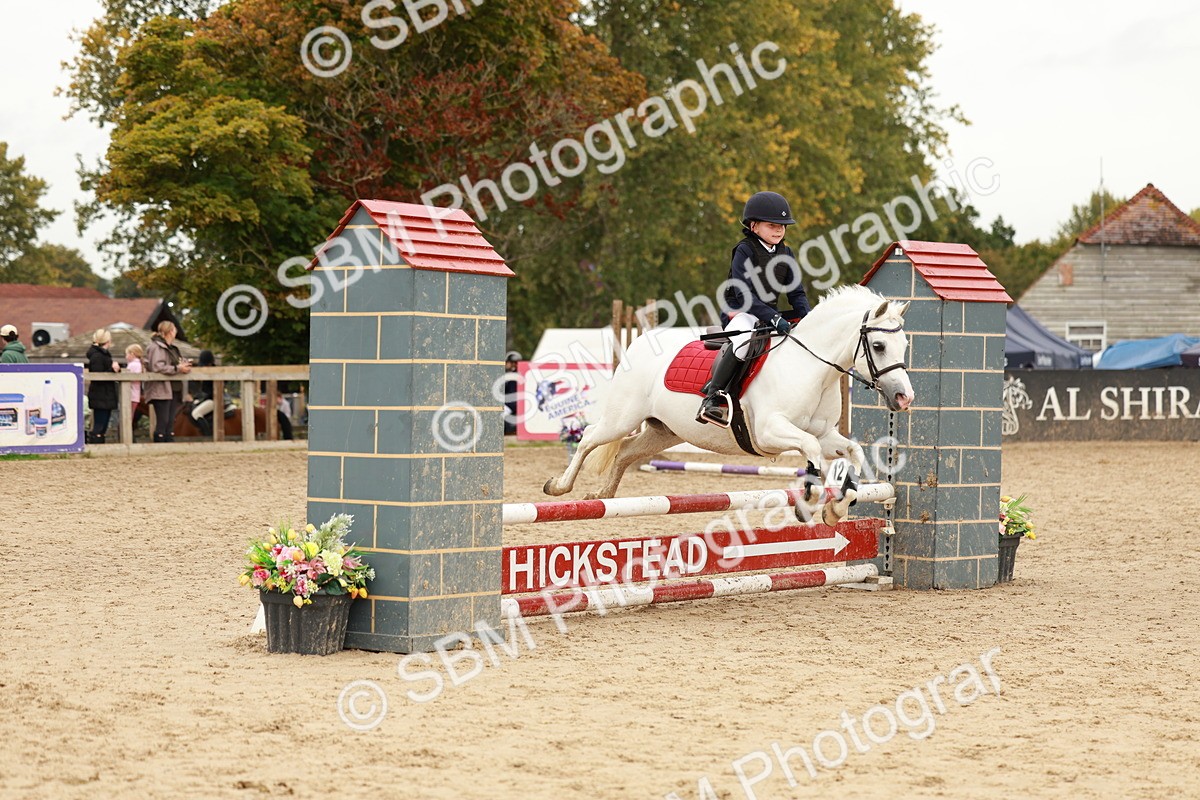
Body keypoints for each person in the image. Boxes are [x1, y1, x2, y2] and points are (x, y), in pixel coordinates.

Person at [696, 191, 810, 426]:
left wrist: (808, 319)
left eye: (783, 226)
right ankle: (713, 397)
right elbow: (743, 294)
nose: (779, 230)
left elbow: (796, 293)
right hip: (739, 311)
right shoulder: (745, 250)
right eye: (772, 225)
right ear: (754, 225)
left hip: (768, 314)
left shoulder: (786, 253)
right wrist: (774, 317)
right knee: (744, 340)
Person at [144, 321, 191, 442]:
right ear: (170, 332)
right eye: (174, 330)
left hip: (173, 387)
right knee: (163, 420)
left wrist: (183, 364)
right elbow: (157, 366)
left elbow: (175, 362)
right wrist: (177, 368)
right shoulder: (156, 347)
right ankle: (159, 442)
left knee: (171, 419)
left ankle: (169, 442)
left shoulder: (172, 348)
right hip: (161, 388)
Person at [85, 329, 121, 444]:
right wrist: (112, 369)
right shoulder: (97, 356)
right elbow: (98, 373)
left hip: (104, 393)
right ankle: (96, 443)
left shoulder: (99, 355)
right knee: (100, 424)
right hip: (101, 394)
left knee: (103, 422)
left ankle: (98, 441)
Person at [188, 349, 218, 436]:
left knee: (196, 413)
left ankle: (208, 435)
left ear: (209, 363)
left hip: (214, 399)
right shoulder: (207, 372)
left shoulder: (214, 372)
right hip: (209, 398)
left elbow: (209, 392)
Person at [125, 343, 146, 431]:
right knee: (130, 416)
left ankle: (127, 435)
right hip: (135, 395)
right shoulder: (140, 365)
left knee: (127, 417)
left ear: (132, 354)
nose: (126, 357)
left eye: (127, 354)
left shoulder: (133, 365)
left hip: (130, 394)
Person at [503, 350, 522, 435]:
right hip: (511, 403)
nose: (506, 364)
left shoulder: (515, 375)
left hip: (512, 404)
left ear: (513, 363)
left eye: (508, 362)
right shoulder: (513, 374)